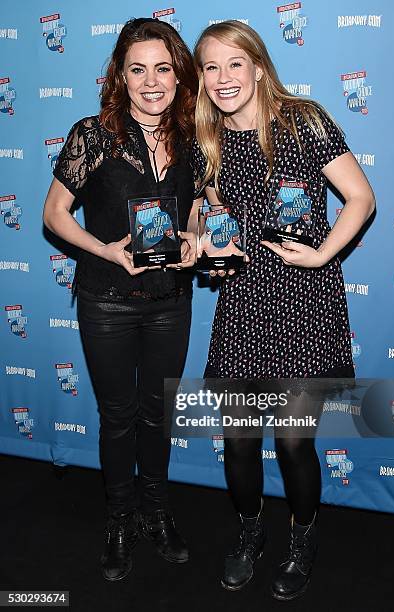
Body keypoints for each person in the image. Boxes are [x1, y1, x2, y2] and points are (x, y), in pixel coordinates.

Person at [191, 20, 375, 600]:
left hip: (305, 300)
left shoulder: (304, 119)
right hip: (244, 300)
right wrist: (204, 239)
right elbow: (209, 214)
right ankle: (249, 533)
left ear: (259, 66)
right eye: (210, 67)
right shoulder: (206, 139)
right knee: (240, 439)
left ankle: (302, 537)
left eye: (233, 64)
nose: (222, 78)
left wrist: (321, 255)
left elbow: (361, 197)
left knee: (294, 441)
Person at [43, 18, 200, 581]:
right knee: (117, 418)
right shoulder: (91, 134)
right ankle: (118, 519)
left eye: (163, 69)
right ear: (121, 76)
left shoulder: (192, 137)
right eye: (138, 69)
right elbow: (54, 214)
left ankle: (157, 515)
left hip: (169, 300)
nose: (151, 82)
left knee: (158, 417)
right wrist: (105, 251)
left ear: (180, 75)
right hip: (107, 300)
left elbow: (198, 208)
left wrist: (193, 242)